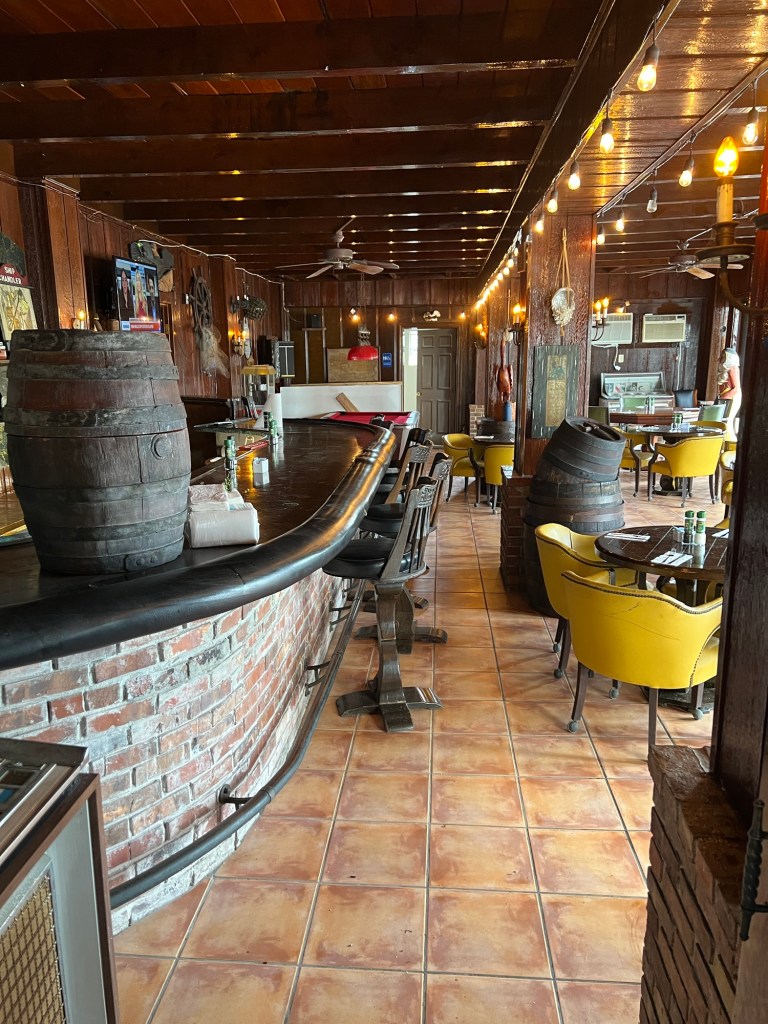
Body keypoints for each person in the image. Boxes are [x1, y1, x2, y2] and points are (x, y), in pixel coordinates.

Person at [717, 346, 741, 441]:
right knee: (724, 422)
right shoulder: (727, 369)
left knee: (727, 422)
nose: (721, 358)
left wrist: (721, 398)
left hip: (732, 398)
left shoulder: (733, 368)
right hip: (727, 398)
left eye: (724, 356)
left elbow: (736, 389)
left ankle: (731, 443)